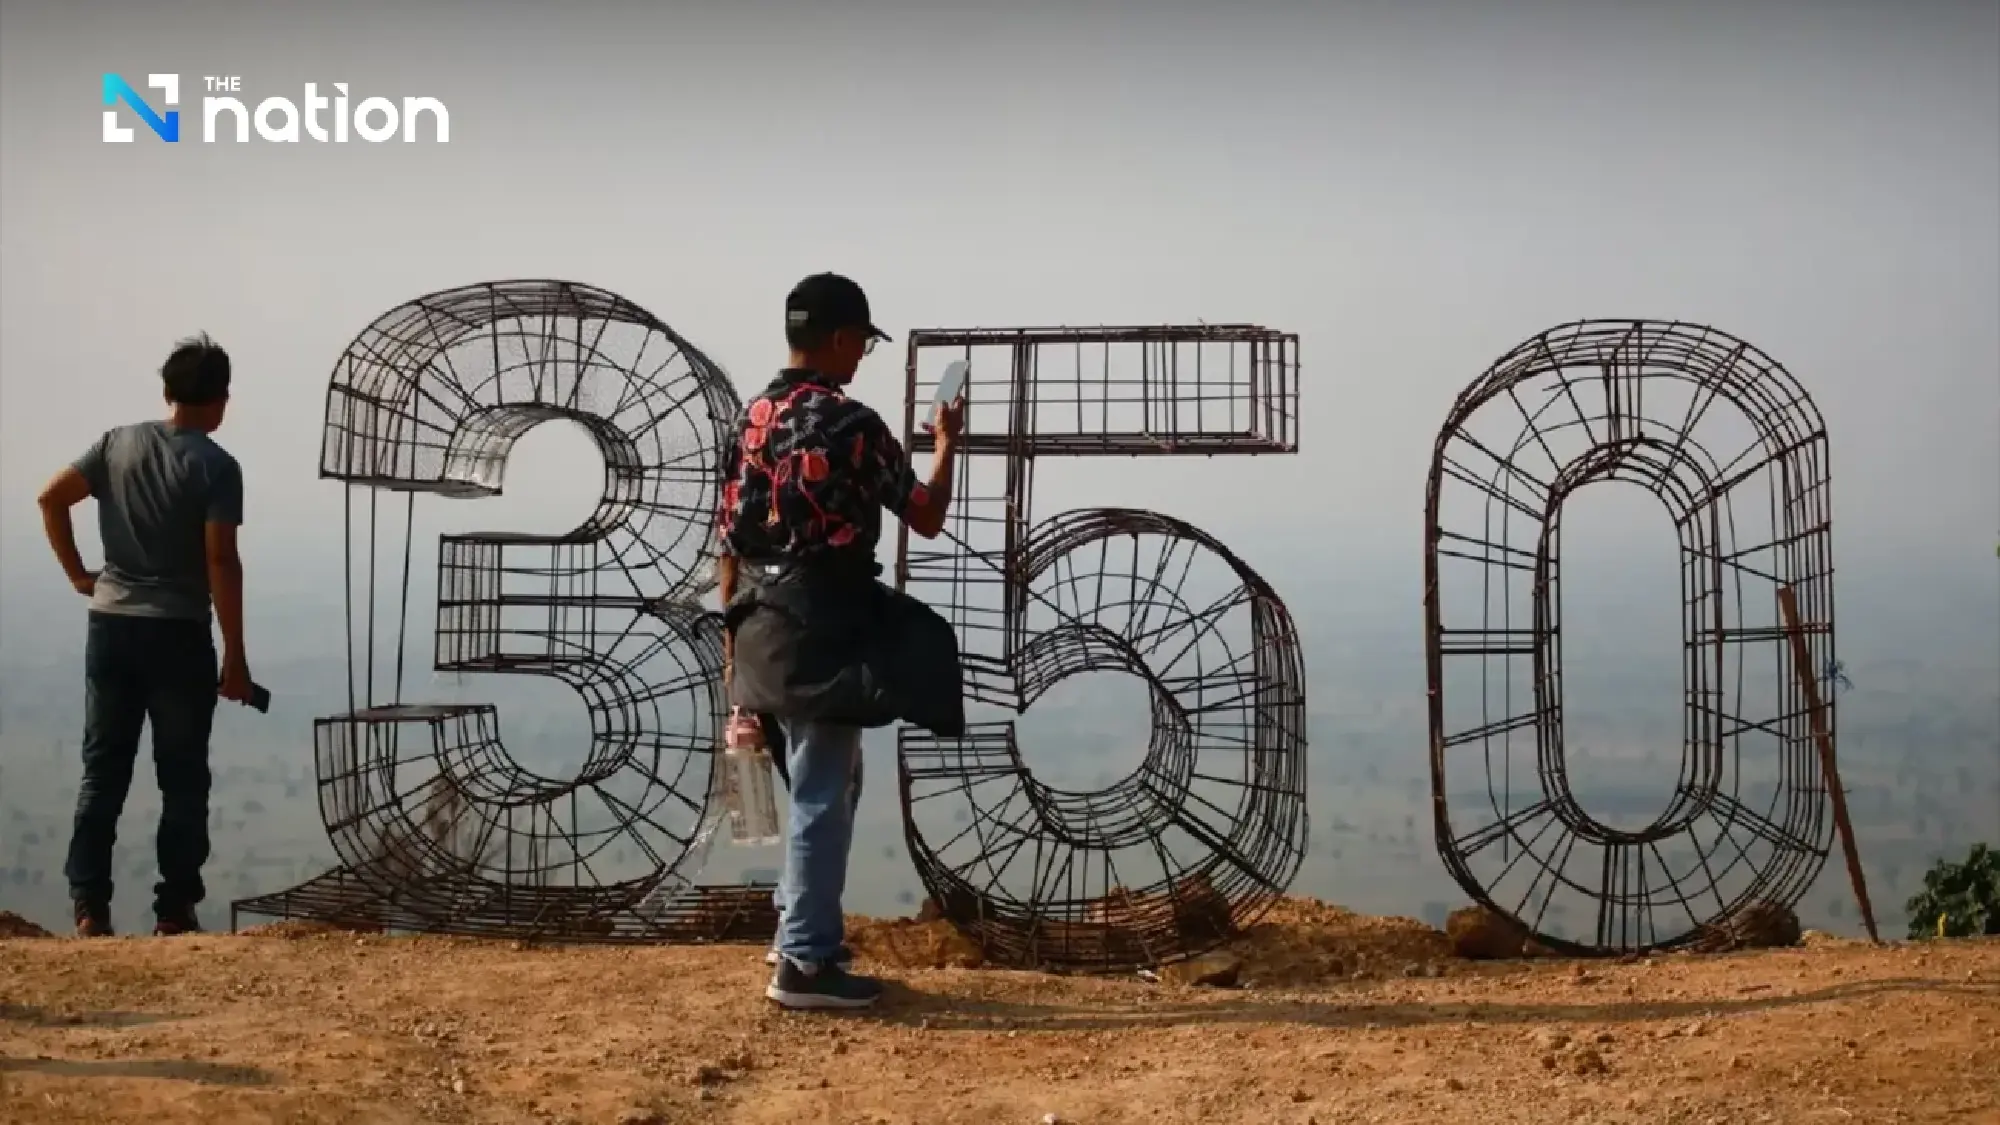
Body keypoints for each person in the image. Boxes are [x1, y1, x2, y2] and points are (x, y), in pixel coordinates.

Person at [717, 273, 965, 1010]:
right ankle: (806, 963)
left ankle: (796, 927)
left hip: (761, 621)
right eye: (861, 341)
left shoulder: (751, 418)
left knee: (829, 780)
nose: (863, 356)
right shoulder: (853, 424)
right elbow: (924, 514)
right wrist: (947, 444)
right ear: (836, 339)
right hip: (825, 623)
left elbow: (728, 534)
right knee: (825, 784)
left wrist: (734, 646)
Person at [36, 333, 253, 937]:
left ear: (167, 392)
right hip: (179, 635)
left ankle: (88, 905)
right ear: (222, 400)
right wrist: (235, 656)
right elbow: (220, 562)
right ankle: (175, 908)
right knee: (182, 774)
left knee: (103, 769)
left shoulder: (115, 444)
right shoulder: (217, 467)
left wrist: (80, 575)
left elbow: (50, 497)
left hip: (110, 628)